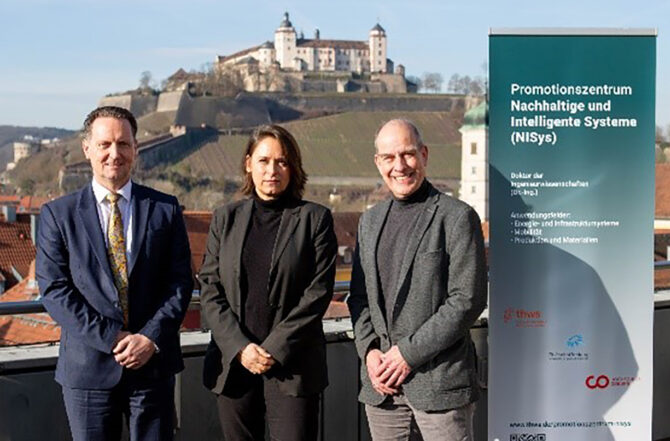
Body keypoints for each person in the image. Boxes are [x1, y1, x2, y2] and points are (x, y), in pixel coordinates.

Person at [36, 106, 193, 441]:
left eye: (123, 144)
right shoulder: (57, 215)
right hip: (87, 371)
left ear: (135, 148)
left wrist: (149, 337)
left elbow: (179, 283)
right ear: (87, 149)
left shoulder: (165, 209)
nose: (114, 153)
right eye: (105, 143)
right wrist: (113, 338)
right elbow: (55, 290)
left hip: (152, 368)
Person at [347, 119, 487, 441]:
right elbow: (359, 298)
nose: (400, 166)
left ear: (424, 154)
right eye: (389, 157)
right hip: (382, 386)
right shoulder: (369, 222)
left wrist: (406, 355)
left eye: (408, 154)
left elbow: (467, 300)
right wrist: (370, 352)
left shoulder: (457, 217)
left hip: (440, 386)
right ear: (378, 162)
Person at [199, 124, 337, 441]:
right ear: (249, 163)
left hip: (293, 366)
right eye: (264, 161)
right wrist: (240, 348)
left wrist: (273, 349)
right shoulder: (225, 218)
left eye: (282, 161)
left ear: (294, 167)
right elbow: (210, 288)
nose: (272, 170)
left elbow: (317, 294)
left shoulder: (315, 219)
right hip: (235, 366)